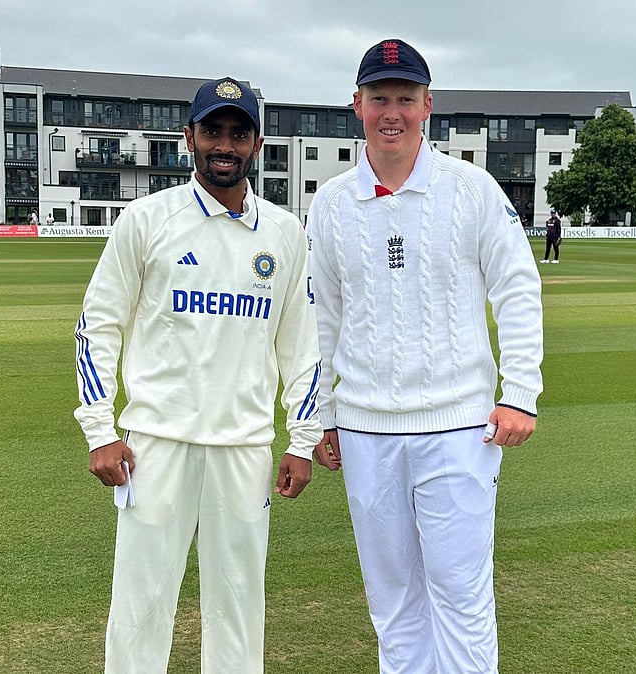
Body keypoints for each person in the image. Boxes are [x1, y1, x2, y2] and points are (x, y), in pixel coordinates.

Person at [308, 39, 544, 674]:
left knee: (461, 596)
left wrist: (519, 391)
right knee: (393, 603)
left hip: (458, 426)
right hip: (365, 429)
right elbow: (321, 317)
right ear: (356, 105)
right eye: (379, 98)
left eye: (406, 99)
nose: (393, 112)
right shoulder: (330, 203)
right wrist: (322, 416)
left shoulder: (470, 188)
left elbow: (517, 285)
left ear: (428, 106)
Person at [73, 76, 322, 674]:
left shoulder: (284, 233)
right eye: (213, 130)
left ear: (257, 145)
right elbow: (96, 325)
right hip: (156, 443)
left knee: (238, 604)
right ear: (189, 137)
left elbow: (303, 345)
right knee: (141, 602)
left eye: (239, 134)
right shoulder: (147, 219)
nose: (225, 145)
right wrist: (99, 430)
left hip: (243, 445)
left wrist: (305, 438)